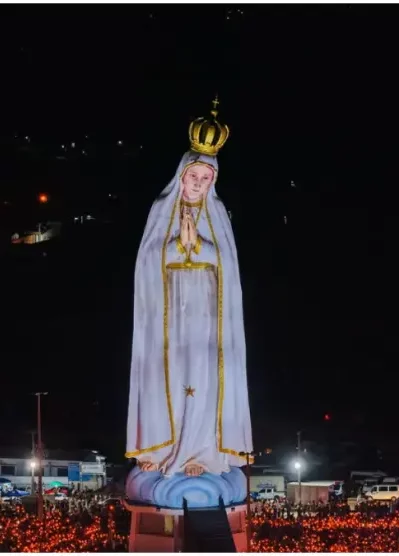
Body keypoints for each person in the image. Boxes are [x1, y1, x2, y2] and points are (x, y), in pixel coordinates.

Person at [125, 99, 253, 478]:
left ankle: (201, 452)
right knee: (164, 373)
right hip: (167, 316)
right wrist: (178, 245)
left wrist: (197, 244)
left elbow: (227, 265)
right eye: (193, 177)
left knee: (203, 377)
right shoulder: (162, 209)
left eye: (205, 179)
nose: (198, 184)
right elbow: (148, 261)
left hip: (204, 318)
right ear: (181, 175)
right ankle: (161, 447)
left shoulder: (216, 216)